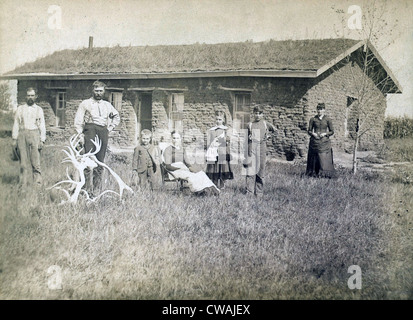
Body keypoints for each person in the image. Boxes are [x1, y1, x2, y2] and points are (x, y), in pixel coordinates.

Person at [74, 80, 120, 195]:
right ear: (92, 91)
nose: (98, 93)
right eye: (96, 91)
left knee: (100, 161)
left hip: (103, 131)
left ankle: (96, 189)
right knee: (88, 159)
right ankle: (84, 188)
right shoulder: (86, 103)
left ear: (104, 92)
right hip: (90, 130)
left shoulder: (107, 105)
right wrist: (80, 134)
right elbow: (78, 120)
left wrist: (109, 129)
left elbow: (116, 117)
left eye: (101, 91)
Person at [163, 131, 219, 195]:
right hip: (173, 170)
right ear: (171, 138)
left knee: (200, 174)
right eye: (174, 138)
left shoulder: (182, 149)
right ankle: (199, 192)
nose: (176, 140)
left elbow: (187, 162)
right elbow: (168, 166)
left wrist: (191, 168)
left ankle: (212, 190)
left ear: (181, 139)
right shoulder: (168, 149)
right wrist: (180, 168)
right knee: (191, 176)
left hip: (183, 168)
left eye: (178, 138)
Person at [12, 87, 46, 187]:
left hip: (35, 134)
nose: (30, 97)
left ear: (35, 97)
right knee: (23, 163)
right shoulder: (20, 109)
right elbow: (16, 124)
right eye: (28, 95)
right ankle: (22, 185)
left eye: (32, 95)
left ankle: (37, 184)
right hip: (22, 135)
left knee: (36, 162)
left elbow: (42, 125)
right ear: (26, 96)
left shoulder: (39, 109)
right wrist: (14, 138)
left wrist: (42, 140)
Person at [243, 105, 277, 196]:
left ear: (262, 114)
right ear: (253, 114)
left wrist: (268, 136)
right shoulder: (249, 125)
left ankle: (259, 192)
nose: (257, 115)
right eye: (256, 113)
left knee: (261, 171)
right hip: (251, 149)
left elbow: (275, 131)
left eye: (260, 113)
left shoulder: (266, 124)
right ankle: (249, 192)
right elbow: (245, 140)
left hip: (262, 149)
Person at [306, 103, 335, 178]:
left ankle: (325, 174)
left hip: (324, 142)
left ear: (324, 110)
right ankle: (313, 173)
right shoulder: (313, 119)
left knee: (323, 158)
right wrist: (313, 134)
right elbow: (309, 131)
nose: (319, 111)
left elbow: (332, 131)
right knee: (314, 158)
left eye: (321, 109)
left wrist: (325, 134)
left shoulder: (328, 119)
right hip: (315, 142)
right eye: (318, 109)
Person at [205, 111, 234, 189]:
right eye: (217, 119)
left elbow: (228, 140)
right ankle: (214, 184)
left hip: (222, 152)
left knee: (222, 168)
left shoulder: (226, 129)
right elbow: (209, 141)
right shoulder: (212, 130)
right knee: (213, 169)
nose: (218, 121)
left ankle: (222, 184)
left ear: (223, 120)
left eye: (220, 119)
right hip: (213, 152)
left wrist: (223, 140)